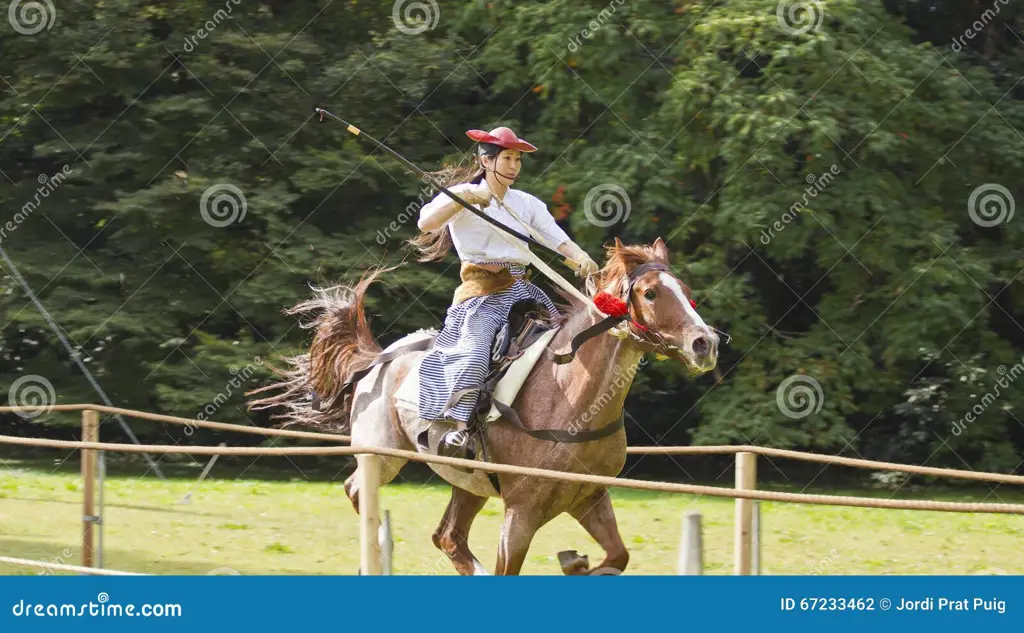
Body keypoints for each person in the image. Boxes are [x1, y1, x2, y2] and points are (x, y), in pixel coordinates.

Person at [409, 126, 599, 457]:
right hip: (482, 292)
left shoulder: (526, 204)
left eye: (517, 159)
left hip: (524, 291)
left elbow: (555, 238)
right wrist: (464, 199)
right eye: (507, 158)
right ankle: (458, 426)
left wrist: (580, 257)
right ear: (486, 160)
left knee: (568, 343)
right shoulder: (461, 194)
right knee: (476, 351)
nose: (513, 165)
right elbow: (426, 223)